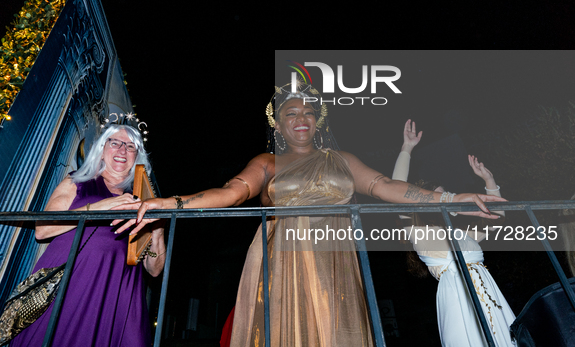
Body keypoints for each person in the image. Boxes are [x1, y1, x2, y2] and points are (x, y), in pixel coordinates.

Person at [113, 82, 504, 346]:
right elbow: (231, 192)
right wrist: (170, 203)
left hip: (334, 257)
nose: (301, 119)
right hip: (281, 257)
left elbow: (386, 185)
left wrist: (451, 197)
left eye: (308, 113)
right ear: (278, 125)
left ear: (318, 122)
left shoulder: (342, 159)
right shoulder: (268, 161)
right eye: (290, 114)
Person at [10, 123, 165, 347]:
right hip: (75, 282)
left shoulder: (139, 201)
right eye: (115, 143)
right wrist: (105, 205)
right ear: (101, 149)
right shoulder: (77, 182)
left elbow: (154, 268)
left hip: (119, 292)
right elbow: (42, 228)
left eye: (131, 147)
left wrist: (159, 227)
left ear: (137, 157)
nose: (122, 150)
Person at [393, 119, 515, 346]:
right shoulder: (420, 233)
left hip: (487, 289)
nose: (446, 201)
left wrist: (489, 180)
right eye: (438, 198)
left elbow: (496, 219)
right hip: (457, 292)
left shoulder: (461, 233)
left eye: (446, 195)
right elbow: (395, 190)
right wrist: (406, 149)